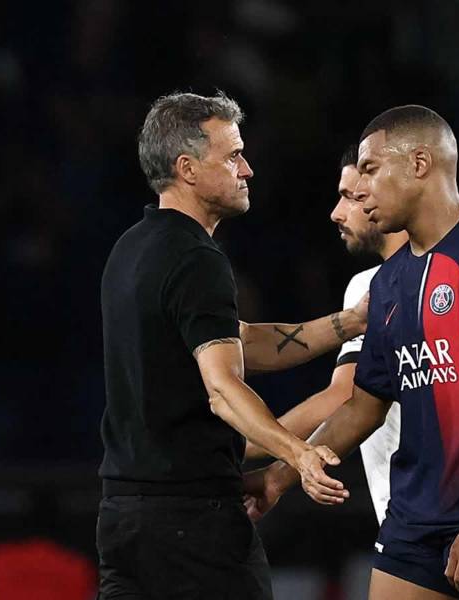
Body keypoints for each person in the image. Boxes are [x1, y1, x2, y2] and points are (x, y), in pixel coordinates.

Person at [246, 105, 459, 600]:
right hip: (412, 529)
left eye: (372, 170)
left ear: (420, 164)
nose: (362, 188)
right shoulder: (387, 285)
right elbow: (363, 405)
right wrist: (277, 477)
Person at [97, 91, 365, 600]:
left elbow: (239, 341)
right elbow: (221, 386)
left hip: (123, 519)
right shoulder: (198, 258)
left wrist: (349, 322)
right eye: (232, 155)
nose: (248, 169)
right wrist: (298, 455)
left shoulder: (130, 248)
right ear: (187, 168)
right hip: (193, 526)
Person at [245, 144, 407, 525]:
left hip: (445, 512)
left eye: (353, 197)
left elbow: (343, 396)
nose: (337, 213)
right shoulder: (369, 288)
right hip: (411, 514)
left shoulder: (383, 287)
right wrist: (278, 475)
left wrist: (253, 442)